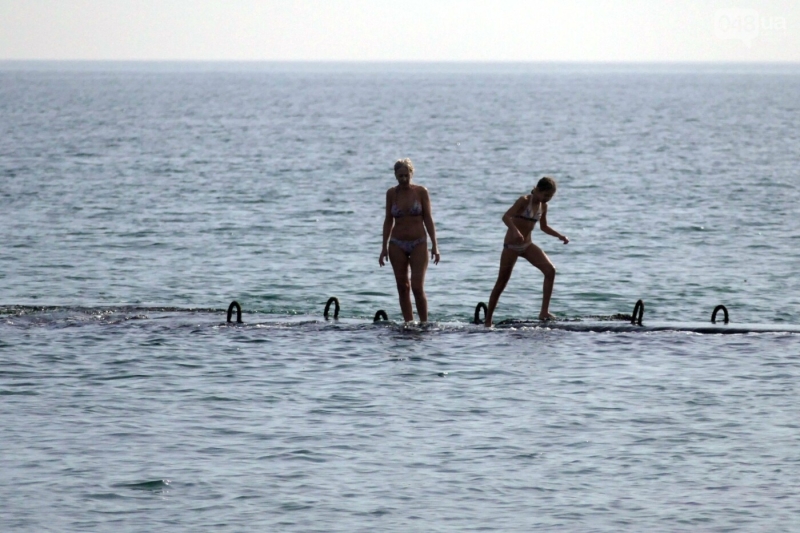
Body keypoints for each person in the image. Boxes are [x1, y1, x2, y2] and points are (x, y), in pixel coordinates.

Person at [485, 177, 569, 327]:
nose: (547, 199)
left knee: (550, 270)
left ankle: (544, 312)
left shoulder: (543, 206)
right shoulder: (524, 200)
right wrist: (515, 230)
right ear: (537, 190)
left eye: (550, 197)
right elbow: (506, 217)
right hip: (511, 246)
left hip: (527, 245)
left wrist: (559, 235)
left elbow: (544, 227)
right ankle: (488, 321)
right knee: (502, 282)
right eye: (545, 195)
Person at [379, 158, 440, 322]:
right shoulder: (391, 193)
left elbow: (428, 218)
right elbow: (388, 220)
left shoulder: (421, 192)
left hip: (418, 242)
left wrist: (435, 245)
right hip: (396, 243)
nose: (404, 179)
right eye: (400, 176)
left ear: (411, 173)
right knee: (402, 287)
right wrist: (383, 247)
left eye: (406, 175)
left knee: (417, 287)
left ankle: (424, 323)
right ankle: (408, 323)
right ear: (395, 176)